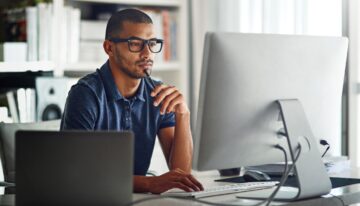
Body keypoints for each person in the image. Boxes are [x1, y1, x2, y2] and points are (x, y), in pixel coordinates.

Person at [60, 8, 203, 194]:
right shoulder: (86, 94)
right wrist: (150, 184)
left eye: (152, 43)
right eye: (135, 44)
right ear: (109, 48)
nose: (147, 53)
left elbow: (181, 174)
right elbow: (78, 174)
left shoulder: (158, 94)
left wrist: (183, 114)